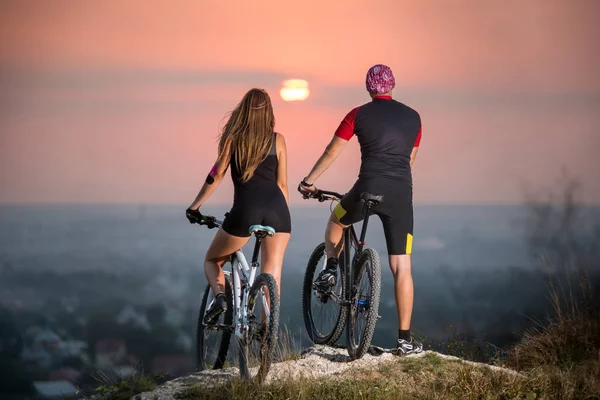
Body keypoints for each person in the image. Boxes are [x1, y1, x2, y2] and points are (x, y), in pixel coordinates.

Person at [298, 64, 423, 355]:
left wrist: (309, 181)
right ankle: (405, 340)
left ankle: (330, 269)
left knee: (337, 219)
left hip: (367, 188)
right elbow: (409, 161)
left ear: (369, 88)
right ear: (392, 86)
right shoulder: (414, 118)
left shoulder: (358, 114)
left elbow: (332, 150)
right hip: (401, 194)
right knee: (402, 267)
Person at [186, 88, 291, 324]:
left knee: (212, 260)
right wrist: (282, 216)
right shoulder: (278, 140)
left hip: (246, 212)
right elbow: (283, 185)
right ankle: (267, 333)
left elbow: (216, 175)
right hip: (279, 213)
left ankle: (221, 298)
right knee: (272, 274)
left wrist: (195, 206)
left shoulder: (234, 140)